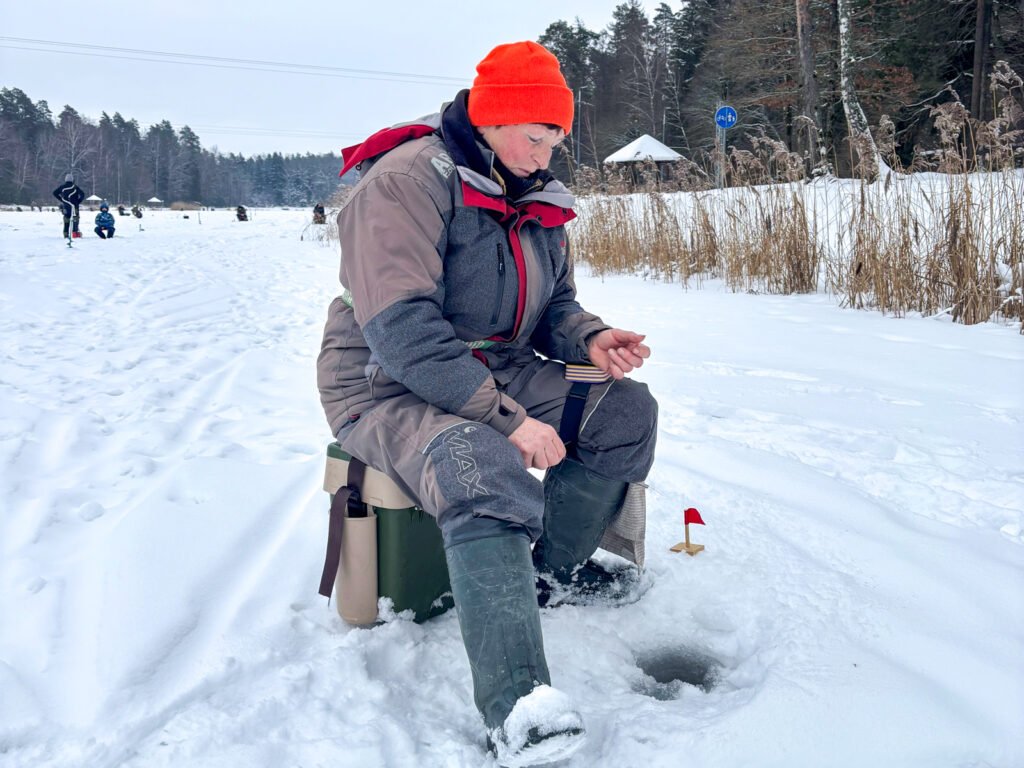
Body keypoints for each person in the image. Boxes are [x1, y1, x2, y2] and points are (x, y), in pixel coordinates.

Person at [317, 41, 657, 765]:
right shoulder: (407, 182)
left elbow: (555, 305)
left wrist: (590, 337)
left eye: (556, 139)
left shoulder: (531, 190)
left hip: (496, 366)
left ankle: (550, 575)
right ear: (492, 118)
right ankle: (520, 703)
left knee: (625, 411)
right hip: (385, 382)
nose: (546, 154)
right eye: (535, 136)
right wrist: (511, 421)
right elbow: (403, 333)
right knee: (477, 458)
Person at [52, 173, 85, 239]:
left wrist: (62, 200)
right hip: (74, 207)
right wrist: (78, 201)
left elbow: (54, 193)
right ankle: (75, 233)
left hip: (66, 207)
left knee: (66, 220)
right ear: (72, 179)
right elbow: (82, 194)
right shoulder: (75, 187)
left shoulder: (62, 187)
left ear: (65, 179)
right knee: (75, 219)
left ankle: (66, 234)